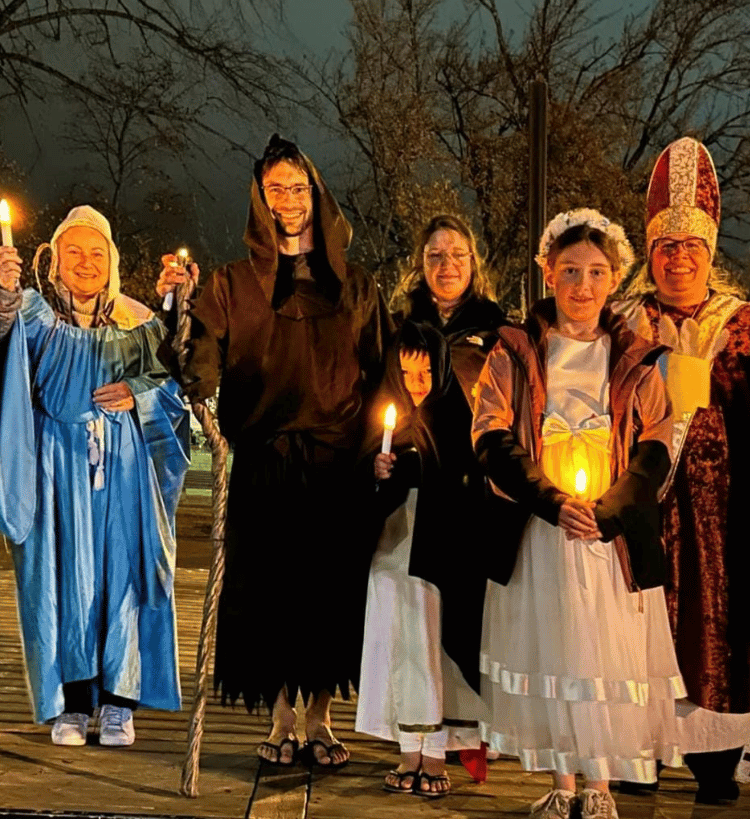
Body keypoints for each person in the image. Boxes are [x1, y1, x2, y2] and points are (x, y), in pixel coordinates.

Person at [158, 134, 388, 770]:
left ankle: (322, 716)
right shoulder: (233, 284)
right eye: (275, 189)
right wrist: (178, 308)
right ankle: (283, 713)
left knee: (326, 592)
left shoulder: (358, 287)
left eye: (298, 187)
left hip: (337, 462)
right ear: (260, 199)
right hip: (264, 460)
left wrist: (380, 450)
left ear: (316, 193)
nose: (288, 200)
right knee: (273, 591)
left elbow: (381, 379)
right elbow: (194, 364)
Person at [608, 138, 750, 805]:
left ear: (710, 250)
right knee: (632, 636)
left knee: (714, 639)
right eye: (666, 247)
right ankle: (633, 750)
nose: (678, 259)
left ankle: (715, 759)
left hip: (720, 528)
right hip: (638, 517)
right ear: (650, 252)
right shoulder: (621, 325)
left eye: (691, 247)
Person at [472, 209, 683, 819]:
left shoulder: (638, 358)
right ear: (547, 272)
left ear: (614, 278)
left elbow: (655, 443)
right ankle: (563, 780)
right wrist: (552, 502)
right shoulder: (514, 349)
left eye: (595, 272)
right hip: (542, 528)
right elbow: (490, 433)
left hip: (607, 534)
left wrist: (609, 511)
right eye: (569, 271)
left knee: (603, 652)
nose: (582, 286)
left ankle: (602, 785)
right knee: (555, 648)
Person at [0, 205, 191, 747]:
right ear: (55, 259)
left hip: (125, 466)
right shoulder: (33, 313)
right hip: (55, 466)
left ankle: (118, 702)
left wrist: (138, 389)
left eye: (96, 253)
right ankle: (73, 701)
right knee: (63, 579)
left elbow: (175, 377)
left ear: (110, 262)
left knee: (122, 579)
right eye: (74, 251)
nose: (85, 263)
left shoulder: (136, 319)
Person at [391, 212, 511, 774]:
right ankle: (414, 729)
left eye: (457, 254)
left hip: (466, 492)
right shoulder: (400, 325)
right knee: (412, 614)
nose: (446, 265)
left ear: (473, 263)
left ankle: (464, 732)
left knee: (461, 612)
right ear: (420, 264)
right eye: (435, 255)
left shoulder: (495, 328)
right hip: (411, 490)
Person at [356, 319, 483, 799]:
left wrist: (414, 466)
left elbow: (460, 475)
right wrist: (376, 469)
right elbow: (360, 479)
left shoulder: (454, 416)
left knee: (433, 642)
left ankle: (438, 751)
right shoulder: (379, 416)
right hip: (393, 544)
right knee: (399, 640)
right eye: (407, 374)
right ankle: (408, 747)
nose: (417, 384)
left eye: (427, 373)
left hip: (439, 549)